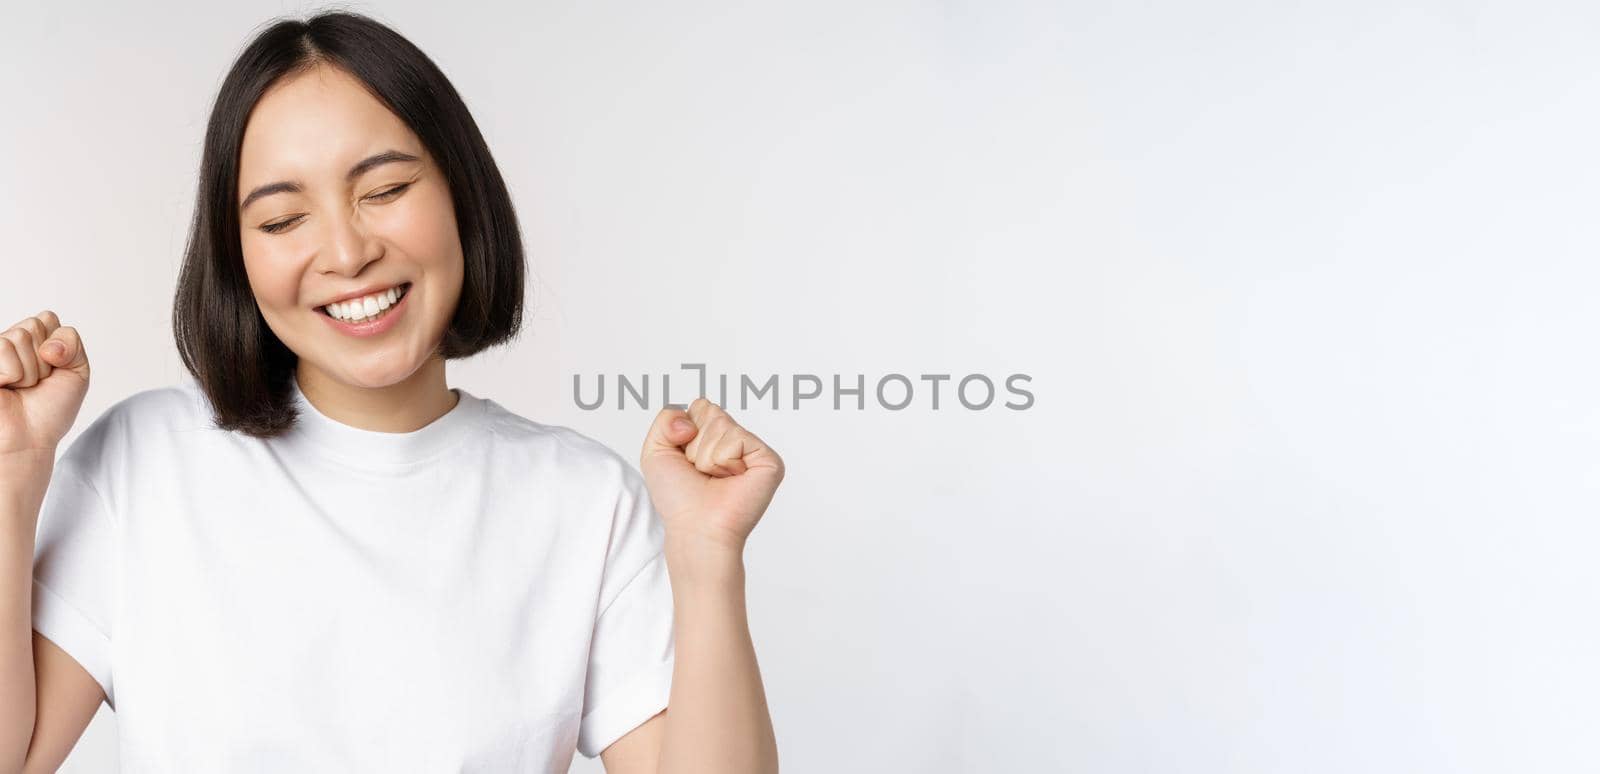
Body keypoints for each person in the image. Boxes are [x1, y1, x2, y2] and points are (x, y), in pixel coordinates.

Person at [0, 11, 782, 774]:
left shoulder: (583, 501)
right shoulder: (144, 463)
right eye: (281, 220)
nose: (345, 252)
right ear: (236, 256)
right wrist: (12, 475)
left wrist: (708, 555)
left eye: (385, 189)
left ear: (459, 193)